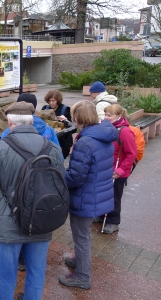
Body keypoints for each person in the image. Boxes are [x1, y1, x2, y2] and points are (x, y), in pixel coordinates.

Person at [0, 102, 65, 300]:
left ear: (9, 122)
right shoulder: (52, 148)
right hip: (41, 218)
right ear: (32, 120)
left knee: (6, 272)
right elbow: (60, 180)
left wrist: (3, 197)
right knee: (36, 271)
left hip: (8, 222)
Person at [58, 101, 117, 290]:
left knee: (81, 237)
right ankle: (78, 261)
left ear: (77, 118)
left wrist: (61, 179)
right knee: (83, 235)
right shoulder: (104, 136)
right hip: (96, 193)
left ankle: (83, 277)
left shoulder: (85, 142)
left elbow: (76, 177)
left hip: (85, 196)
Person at [96, 104, 137, 234]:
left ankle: (113, 222)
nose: (106, 117)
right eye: (105, 114)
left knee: (114, 196)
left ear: (119, 116)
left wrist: (120, 171)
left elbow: (131, 154)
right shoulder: (105, 128)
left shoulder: (124, 132)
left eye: (110, 115)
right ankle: (102, 215)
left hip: (117, 172)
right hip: (105, 168)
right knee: (103, 194)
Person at [42, 90, 73, 158]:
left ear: (58, 100)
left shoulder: (65, 109)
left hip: (63, 142)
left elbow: (72, 128)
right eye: (49, 101)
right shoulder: (45, 108)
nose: (51, 103)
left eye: (53, 101)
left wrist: (65, 120)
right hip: (50, 140)